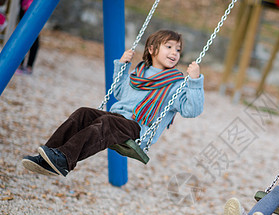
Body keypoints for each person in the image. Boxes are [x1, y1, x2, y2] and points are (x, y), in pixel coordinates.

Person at [22, 29, 204, 177]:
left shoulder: (177, 84)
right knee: (83, 113)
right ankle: (49, 156)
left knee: (108, 123)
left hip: (138, 128)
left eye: (178, 49)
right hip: (117, 118)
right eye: (169, 46)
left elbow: (192, 110)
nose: (174, 53)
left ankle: (64, 158)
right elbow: (119, 92)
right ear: (151, 49)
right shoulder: (139, 73)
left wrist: (195, 82)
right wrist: (122, 67)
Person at [16, 0, 39, 75]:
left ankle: (29, 66)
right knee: (22, 35)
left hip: (33, 6)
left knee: (33, 37)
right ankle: (20, 63)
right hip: (24, 5)